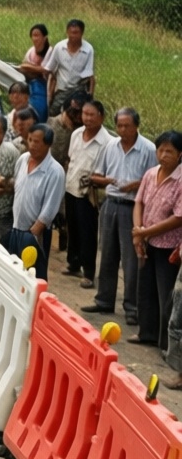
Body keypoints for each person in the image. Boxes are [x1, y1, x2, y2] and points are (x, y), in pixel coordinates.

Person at [84, 108, 156, 324]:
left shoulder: (148, 149)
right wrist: (107, 181)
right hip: (111, 203)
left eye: (127, 125)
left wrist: (135, 185)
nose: (123, 130)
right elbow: (98, 175)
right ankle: (104, 299)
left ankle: (132, 307)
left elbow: (153, 180)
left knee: (131, 260)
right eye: (119, 126)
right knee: (107, 254)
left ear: (136, 126)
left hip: (132, 206)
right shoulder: (110, 146)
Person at [131, 130, 182, 351]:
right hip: (147, 239)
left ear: (179, 154)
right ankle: (146, 332)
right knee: (145, 289)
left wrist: (144, 232)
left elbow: (178, 217)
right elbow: (139, 202)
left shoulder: (180, 180)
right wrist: (138, 230)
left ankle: (165, 343)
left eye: (169, 151)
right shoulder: (151, 174)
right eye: (160, 149)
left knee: (166, 295)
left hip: (168, 245)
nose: (163, 155)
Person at [5, 124, 65, 281]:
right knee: (12, 271)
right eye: (30, 140)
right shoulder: (23, 160)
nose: (31, 145)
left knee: (32, 276)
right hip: (16, 228)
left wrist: (33, 233)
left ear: (47, 144)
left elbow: (50, 208)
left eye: (36, 142)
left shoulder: (55, 171)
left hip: (35, 233)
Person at [63, 98, 111, 287]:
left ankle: (89, 272)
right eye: (85, 114)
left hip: (89, 193)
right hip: (71, 186)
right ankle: (73, 263)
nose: (87, 118)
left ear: (101, 117)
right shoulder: (76, 134)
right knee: (72, 227)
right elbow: (70, 159)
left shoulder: (107, 142)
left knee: (88, 232)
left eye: (92, 115)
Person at [45, 19, 95, 116]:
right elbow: (50, 69)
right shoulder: (59, 47)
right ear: (67, 32)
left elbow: (90, 75)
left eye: (76, 33)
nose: (73, 36)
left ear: (82, 33)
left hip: (78, 90)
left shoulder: (88, 50)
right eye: (71, 33)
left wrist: (90, 96)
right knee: (53, 114)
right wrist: (50, 94)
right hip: (62, 90)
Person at [19, 24, 53, 120]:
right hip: (31, 83)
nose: (35, 38)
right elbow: (23, 66)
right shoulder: (31, 51)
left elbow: (45, 69)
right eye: (33, 35)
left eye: (37, 35)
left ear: (45, 37)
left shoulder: (50, 52)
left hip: (45, 85)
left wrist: (29, 67)